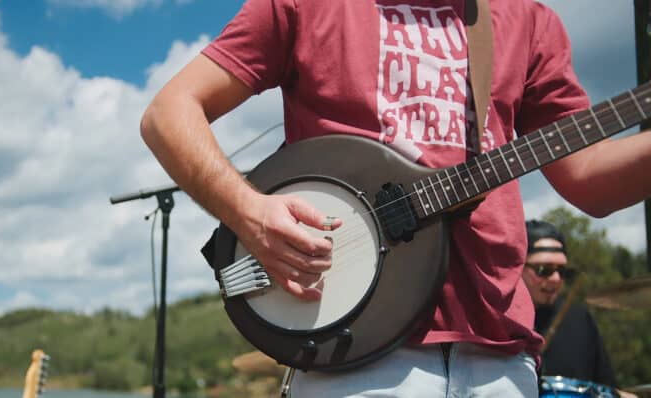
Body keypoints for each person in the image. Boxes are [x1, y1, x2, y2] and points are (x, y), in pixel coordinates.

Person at [140, 0, 651, 396]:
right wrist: (249, 211)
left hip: (499, 352)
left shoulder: (526, 19)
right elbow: (169, 113)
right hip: (353, 347)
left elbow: (590, 178)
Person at [523, 220, 636, 398]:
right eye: (544, 270)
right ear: (518, 267)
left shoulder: (579, 319)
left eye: (562, 271)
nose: (556, 278)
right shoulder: (498, 323)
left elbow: (606, 387)